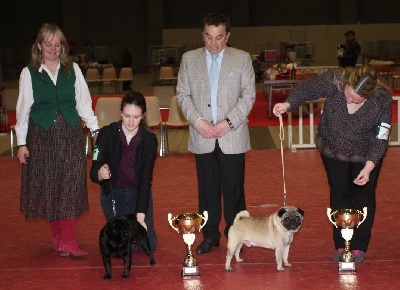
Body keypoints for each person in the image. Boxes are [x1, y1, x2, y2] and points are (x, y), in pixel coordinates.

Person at [273, 66, 392, 263]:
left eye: (357, 99)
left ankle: (359, 246)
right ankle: (340, 243)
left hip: (366, 154)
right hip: (332, 149)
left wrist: (370, 166)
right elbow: (306, 90)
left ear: (369, 95)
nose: (350, 100)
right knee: (339, 193)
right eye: (348, 93)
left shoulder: (381, 99)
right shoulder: (335, 79)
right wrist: (288, 104)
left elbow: (381, 137)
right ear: (346, 84)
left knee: (364, 195)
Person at [16, 23, 100, 256]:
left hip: (70, 134)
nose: (53, 49)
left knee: (71, 184)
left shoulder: (72, 69)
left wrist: (95, 130)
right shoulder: (28, 73)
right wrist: (22, 143)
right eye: (48, 44)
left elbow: (83, 103)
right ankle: (59, 239)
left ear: (62, 46)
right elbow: (23, 110)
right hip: (41, 136)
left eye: (57, 44)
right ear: (39, 47)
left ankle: (70, 241)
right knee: (49, 187)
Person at [176, 13, 256, 254]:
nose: (213, 43)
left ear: (228, 36)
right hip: (202, 136)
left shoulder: (241, 59)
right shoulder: (189, 59)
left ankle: (237, 236)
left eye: (219, 37)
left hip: (232, 136)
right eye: (208, 37)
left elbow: (249, 95)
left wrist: (228, 123)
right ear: (203, 35)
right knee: (207, 190)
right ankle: (209, 236)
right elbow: (183, 95)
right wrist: (199, 122)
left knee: (234, 191)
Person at [89, 91, 157, 251]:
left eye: (136, 117)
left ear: (143, 116)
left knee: (148, 246)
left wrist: (141, 217)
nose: (131, 121)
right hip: (113, 193)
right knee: (125, 247)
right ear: (120, 113)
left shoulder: (149, 140)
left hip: (137, 192)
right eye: (127, 116)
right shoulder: (106, 134)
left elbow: (145, 180)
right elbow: (93, 172)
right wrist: (100, 173)